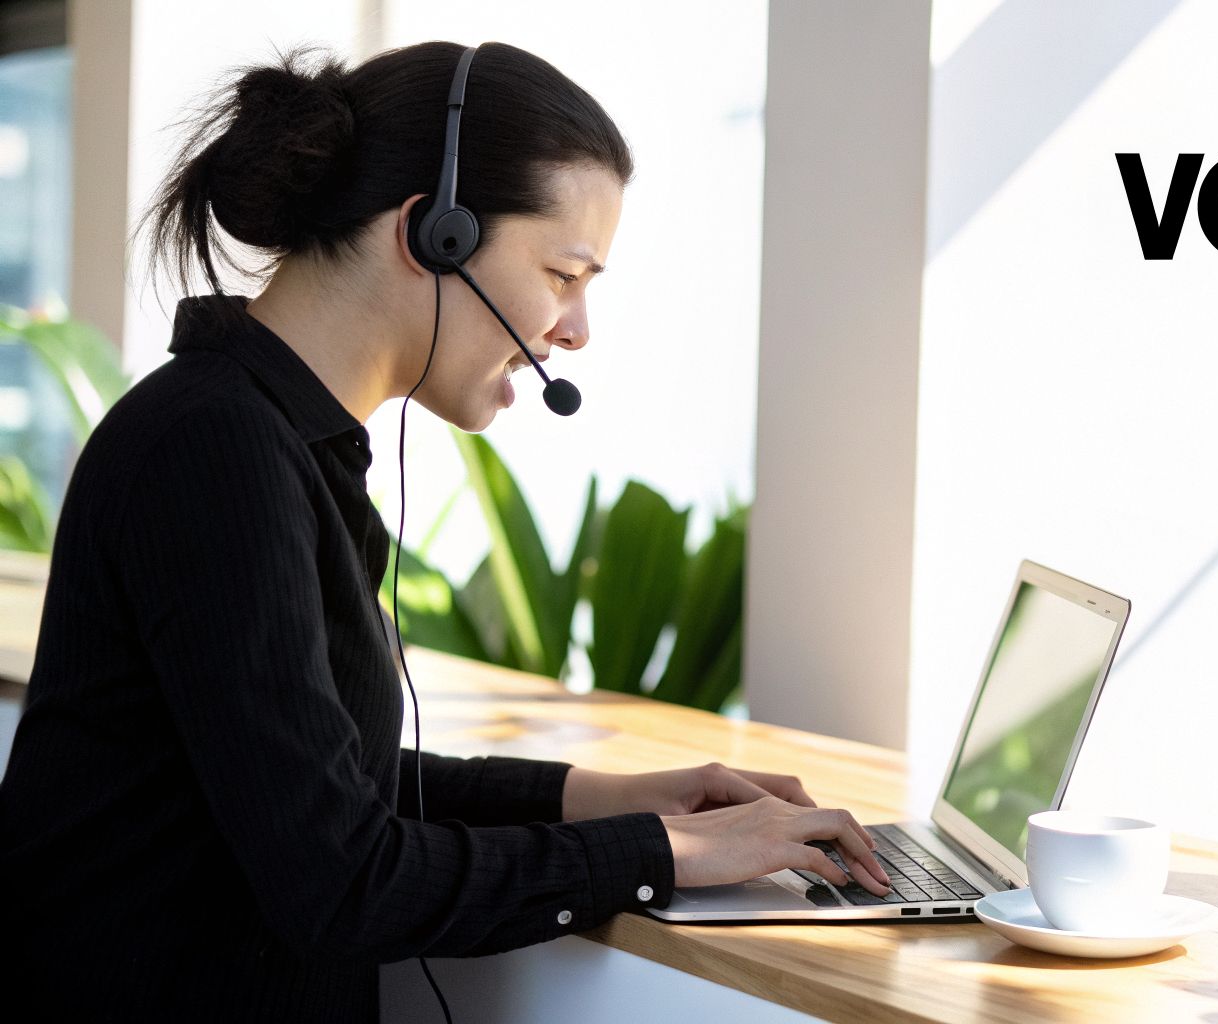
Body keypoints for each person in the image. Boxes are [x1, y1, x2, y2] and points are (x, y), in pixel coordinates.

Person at [0, 39, 888, 1021]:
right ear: (435, 235)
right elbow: (340, 879)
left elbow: (327, 785)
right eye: (564, 273)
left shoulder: (278, 440)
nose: (577, 329)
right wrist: (662, 852)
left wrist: (607, 797)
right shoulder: (214, 449)